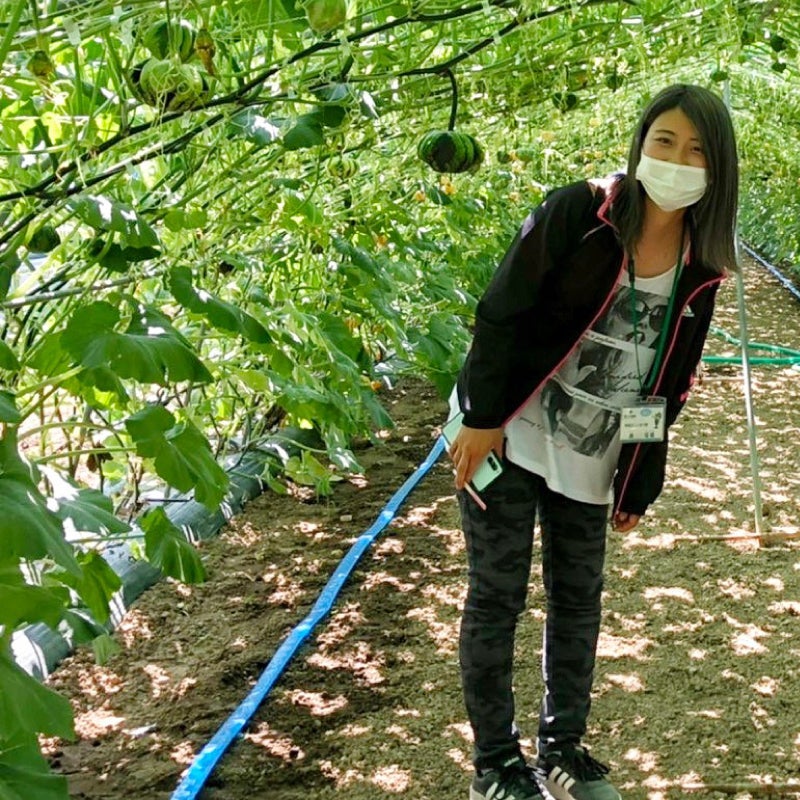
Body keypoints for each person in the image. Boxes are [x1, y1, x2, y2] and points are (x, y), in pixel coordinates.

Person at [446, 84, 739, 800]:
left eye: (697, 150)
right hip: (508, 435)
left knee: (578, 600)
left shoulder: (702, 269)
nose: (677, 160)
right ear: (640, 144)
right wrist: (481, 417)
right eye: (664, 141)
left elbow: (669, 383)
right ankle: (496, 765)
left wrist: (641, 476)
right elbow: (501, 311)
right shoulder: (580, 213)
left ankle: (562, 750)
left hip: (593, 454)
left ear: (717, 169)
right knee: (497, 597)